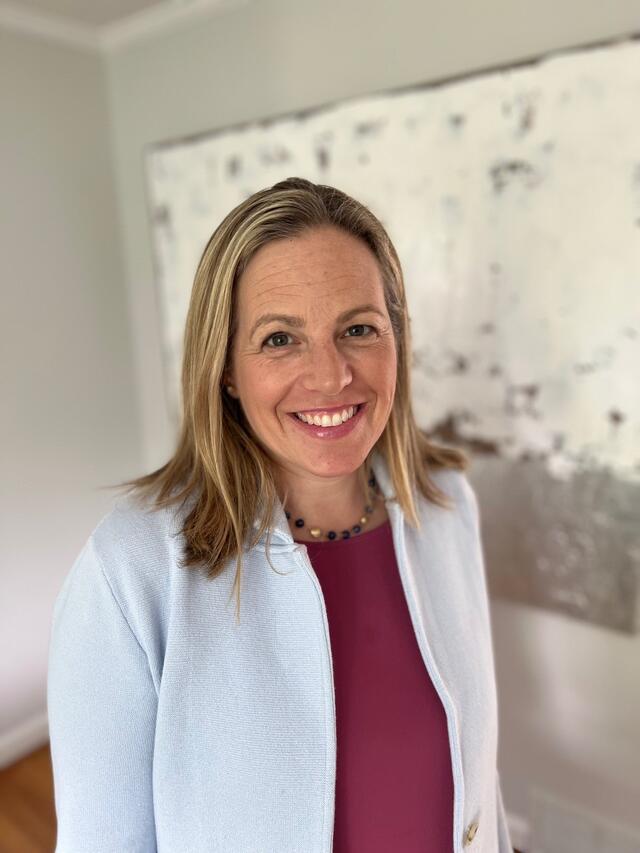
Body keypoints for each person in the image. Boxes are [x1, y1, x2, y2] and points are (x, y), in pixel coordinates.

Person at [47, 177, 513, 852]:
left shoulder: (445, 504)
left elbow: (478, 770)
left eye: (358, 329)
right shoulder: (132, 570)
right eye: (279, 339)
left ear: (396, 343)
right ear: (226, 368)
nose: (330, 377)